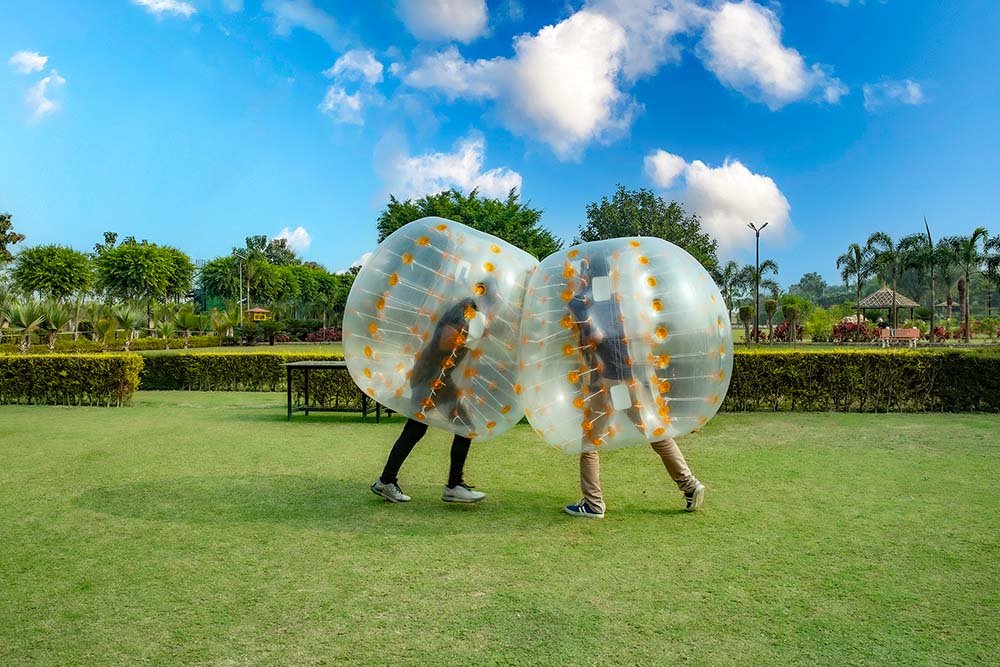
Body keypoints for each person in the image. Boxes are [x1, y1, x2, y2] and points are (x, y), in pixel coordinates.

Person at [562, 254, 705, 519]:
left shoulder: (584, 303)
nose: (579, 274)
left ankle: (593, 504)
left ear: (589, 273)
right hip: (627, 377)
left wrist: (580, 303)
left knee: (590, 443)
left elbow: (595, 334)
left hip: (607, 381)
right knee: (653, 430)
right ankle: (689, 484)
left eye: (583, 270)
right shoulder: (616, 300)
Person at [370, 289, 490, 504]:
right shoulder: (458, 319)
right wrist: (466, 335)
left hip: (439, 379)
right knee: (421, 429)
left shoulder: (466, 318)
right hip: (430, 378)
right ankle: (449, 485)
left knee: (445, 428)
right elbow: (445, 342)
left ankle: (391, 481)